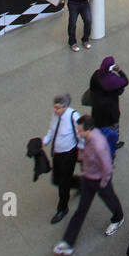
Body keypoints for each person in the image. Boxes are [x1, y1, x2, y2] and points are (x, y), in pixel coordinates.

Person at [53, 115, 124, 254]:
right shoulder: (88, 139)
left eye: (80, 131)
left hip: (99, 180)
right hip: (88, 178)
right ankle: (68, 242)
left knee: (110, 200)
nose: (78, 133)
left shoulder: (98, 144)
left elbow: (107, 166)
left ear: (88, 130)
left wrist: (103, 183)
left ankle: (118, 218)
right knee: (81, 210)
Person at [42, 93, 81, 226]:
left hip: (69, 154)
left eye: (58, 108)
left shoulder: (74, 116)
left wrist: (81, 152)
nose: (55, 110)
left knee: (62, 182)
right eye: (54, 107)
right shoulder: (55, 116)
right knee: (57, 179)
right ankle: (80, 183)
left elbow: (80, 135)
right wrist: (45, 141)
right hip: (58, 153)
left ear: (66, 107)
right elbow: (52, 131)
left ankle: (62, 208)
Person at [88, 56, 129, 148]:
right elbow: (125, 81)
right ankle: (114, 142)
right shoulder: (112, 80)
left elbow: (92, 87)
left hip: (97, 107)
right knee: (113, 127)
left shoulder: (96, 74)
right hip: (111, 109)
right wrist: (119, 71)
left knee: (99, 125)